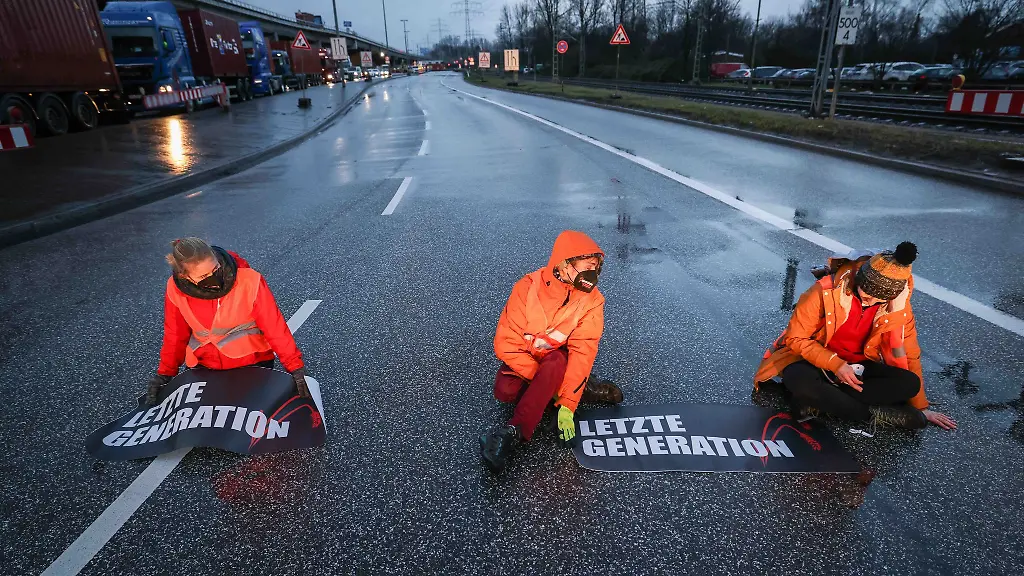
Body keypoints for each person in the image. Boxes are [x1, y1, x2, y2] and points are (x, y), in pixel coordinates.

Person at [755, 242, 956, 431]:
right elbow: (796, 338)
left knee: (910, 383)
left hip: (859, 369)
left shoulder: (899, 309)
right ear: (860, 277)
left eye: (881, 298)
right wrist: (835, 364)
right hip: (815, 361)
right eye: (867, 292)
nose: (871, 300)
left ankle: (822, 402)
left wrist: (921, 407)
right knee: (798, 379)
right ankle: (871, 414)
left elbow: (910, 354)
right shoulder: (825, 291)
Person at [480, 230, 623, 473]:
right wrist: (553, 387)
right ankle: (579, 388)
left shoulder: (593, 300)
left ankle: (513, 432)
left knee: (556, 362)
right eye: (588, 266)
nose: (594, 274)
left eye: (597, 267)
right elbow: (506, 344)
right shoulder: (526, 288)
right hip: (529, 360)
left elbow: (583, 350)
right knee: (504, 391)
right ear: (565, 264)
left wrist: (566, 405)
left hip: (558, 360)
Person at [144, 238, 310, 406]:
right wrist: (165, 374)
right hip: (203, 365)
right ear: (183, 276)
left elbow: (274, 327)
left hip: (252, 364)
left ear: (216, 257)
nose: (214, 277)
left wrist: (295, 368)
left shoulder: (249, 281)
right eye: (203, 276)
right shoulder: (175, 288)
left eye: (216, 269)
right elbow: (175, 334)